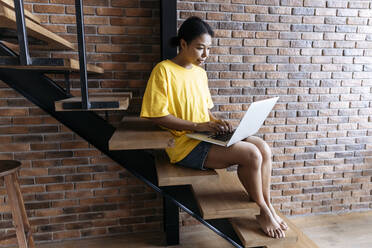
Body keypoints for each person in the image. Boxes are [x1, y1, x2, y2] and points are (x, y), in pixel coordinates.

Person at [140, 16, 287, 239]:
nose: (205, 55)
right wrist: (198, 125)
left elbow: (204, 110)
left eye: (208, 49)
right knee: (251, 155)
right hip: (183, 144)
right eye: (200, 48)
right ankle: (263, 210)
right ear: (183, 44)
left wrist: (215, 122)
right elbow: (157, 116)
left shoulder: (200, 73)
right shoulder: (163, 71)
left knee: (263, 148)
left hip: (205, 135)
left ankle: (267, 204)